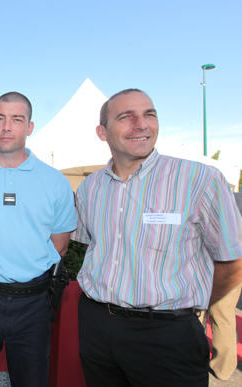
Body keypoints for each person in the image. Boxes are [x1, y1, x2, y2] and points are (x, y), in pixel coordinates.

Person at [74, 88, 242, 387]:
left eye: (149, 114)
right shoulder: (91, 188)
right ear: (102, 132)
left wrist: (194, 308)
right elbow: (93, 246)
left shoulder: (200, 179)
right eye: (126, 117)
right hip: (96, 325)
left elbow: (232, 261)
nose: (141, 124)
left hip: (167, 334)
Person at [0, 92, 77, 387]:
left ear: (29, 127)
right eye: (0, 118)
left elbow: (59, 244)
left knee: (32, 380)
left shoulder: (54, 181)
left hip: (34, 303)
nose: (7, 126)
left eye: (16, 119)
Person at [199, 191, 242, 380]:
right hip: (234, 265)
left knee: (196, 312)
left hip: (207, 263)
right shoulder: (236, 198)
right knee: (223, 315)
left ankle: (194, 358)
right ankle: (223, 369)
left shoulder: (203, 200)